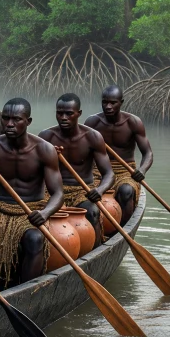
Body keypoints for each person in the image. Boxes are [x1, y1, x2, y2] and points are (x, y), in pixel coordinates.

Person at [0, 98, 65, 288]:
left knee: (35, 238)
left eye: (16, 119)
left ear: (28, 121)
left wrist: (45, 213)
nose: (9, 124)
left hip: (31, 211)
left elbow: (58, 193)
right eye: (6, 118)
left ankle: (26, 291)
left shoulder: (44, 149)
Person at [38, 93, 114, 237]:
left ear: (79, 113)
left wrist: (99, 190)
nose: (63, 117)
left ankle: (97, 246)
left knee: (92, 212)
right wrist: (49, 155)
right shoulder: (46, 137)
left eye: (69, 114)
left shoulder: (92, 136)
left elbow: (109, 174)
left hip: (82, 192)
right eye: (60, 113)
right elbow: (34, 171)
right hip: (52, 193)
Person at [84, 85, 152, 223]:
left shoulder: (133, 122)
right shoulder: (92, 122)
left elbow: (148, 153)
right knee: (87, 195)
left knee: (126, 191)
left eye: (113, 103)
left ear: (121, 102)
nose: (108, 106)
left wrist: (142, 170)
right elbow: (83, 152)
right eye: (105, 102)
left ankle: (123, 228)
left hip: (125, 170)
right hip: (98, 171)